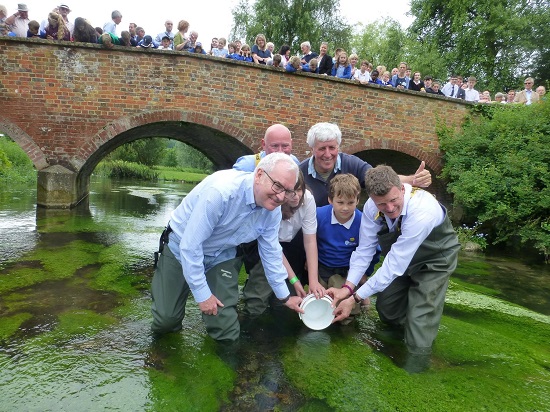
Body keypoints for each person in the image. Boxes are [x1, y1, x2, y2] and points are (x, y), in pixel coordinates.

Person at [151, 152, 304, 341]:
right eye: (278, 185)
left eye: (288, 191)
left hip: (222, 254)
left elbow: (271, 252)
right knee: (166, 322)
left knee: (226, 330)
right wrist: (203, 294)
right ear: (259, 175)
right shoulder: (221, 193)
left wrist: (284, 296)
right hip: (180, 247)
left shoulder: (272, 208)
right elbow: (191, 246)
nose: (281, 196)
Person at [328, 165, 460, 362]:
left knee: (420, 321)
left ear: (402, 189)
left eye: (393, 200)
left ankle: (419, 359)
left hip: (434, 261)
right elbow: (365, 251)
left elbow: (393, 266)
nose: (389, 209)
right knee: (387, 308)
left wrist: (353, 299)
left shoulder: (422, 211)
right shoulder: (372, 208)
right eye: (382, 204)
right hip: (402, 261)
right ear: (371, 198)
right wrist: (347, 288)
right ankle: (402, 338)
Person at [299, 122, 432, 208]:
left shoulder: (352, 164)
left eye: (332, 148)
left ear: (338, 147)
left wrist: (412, 180)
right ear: (312, 149)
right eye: (322, 149)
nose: (328, 154)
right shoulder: (300, 172)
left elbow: (380, 179)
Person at [242, 170, 317, 316]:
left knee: (286, 299)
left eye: (299, 190)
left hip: (291, 246)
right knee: (259, 293)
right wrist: (294, 279)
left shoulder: (308, 199)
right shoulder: (273, 203)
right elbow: (273, 248)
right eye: (291, 191)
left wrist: (313, 281)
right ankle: (251, 316)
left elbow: (310, 241)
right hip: (263, 245)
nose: (296, 196)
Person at [313, 174, 378, 318]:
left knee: (347, 313)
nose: (345, 208)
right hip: (323, 266)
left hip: (347, 270)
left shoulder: (363, 222)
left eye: (350, 202)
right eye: (340, 202)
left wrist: (364, 274)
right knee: (320, 306)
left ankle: (361, 302)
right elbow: (309, 241)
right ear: (330, 200)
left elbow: (374, 251)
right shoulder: (318, 215)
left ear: (358, 201)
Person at [233, 123, 300, 171]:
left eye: (285, 146)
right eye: (275, 146)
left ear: (291, 144)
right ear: (263, 144)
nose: (280, 151)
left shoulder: (294, 163)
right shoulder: (246, 166)